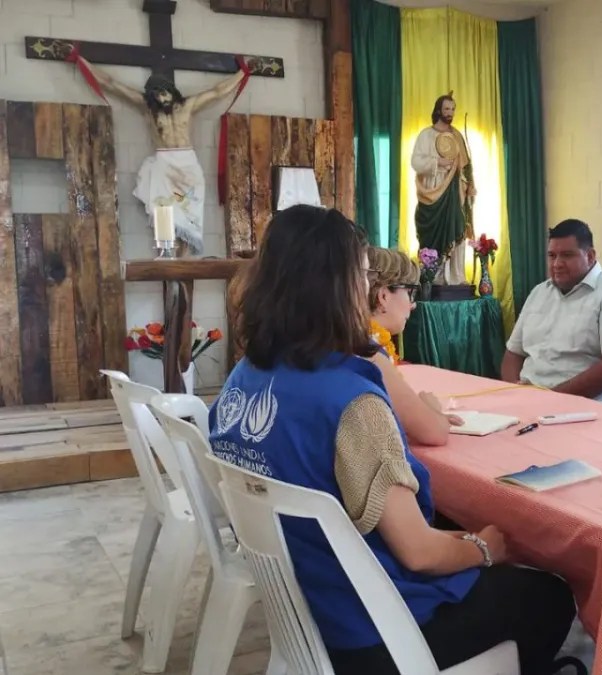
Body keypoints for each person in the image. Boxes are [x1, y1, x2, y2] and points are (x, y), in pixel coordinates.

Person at [209, 205, 577, 675]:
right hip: (370, 630)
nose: (369, 291)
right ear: (334, 286)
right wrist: (485, 548)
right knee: (547, 595)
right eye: (362, 276)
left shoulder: (244, 376)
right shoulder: (351, 399)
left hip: (303, 604)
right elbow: (420, 554)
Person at [74, 54, 251, 254]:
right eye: (156, 94)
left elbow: (218, 91)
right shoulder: (149, 108)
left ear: (172, 91)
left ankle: (184, 262)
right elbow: (111, 83)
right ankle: (167, 258)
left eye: (164, 93)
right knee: (163, 210)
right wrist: (82, 61)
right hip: (164, 163)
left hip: (187, 163)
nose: (161, 97)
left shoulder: (187, 105)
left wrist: (243, 72)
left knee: (188, 212)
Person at [502, 219, 602, 404]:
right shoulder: (539, 292)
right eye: (552, 255)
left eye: (567, 255)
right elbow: (513, 354)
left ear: (590, 256)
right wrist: (513, 392)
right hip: (528, 401)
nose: (557, 263)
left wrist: (550, 399)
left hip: (582, 411)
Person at [366, 246, 460, 447]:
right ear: (383, 296)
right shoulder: (367, 353)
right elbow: (435, 432)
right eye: (410, 292)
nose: (413, 304)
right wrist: (431, 409)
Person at [412, 93, 475, 286]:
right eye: (447, 109)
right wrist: (437, 162)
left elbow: (466, 166)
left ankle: (457, 277)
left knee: (457, 229)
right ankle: (436, 277)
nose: (450, 113)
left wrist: (471, 185)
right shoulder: (426, 135)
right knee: (433, 235)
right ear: (439, 110)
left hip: (454, 193)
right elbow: (416, 162)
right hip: (433, 191)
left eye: (453, 109)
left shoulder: (456, 135)